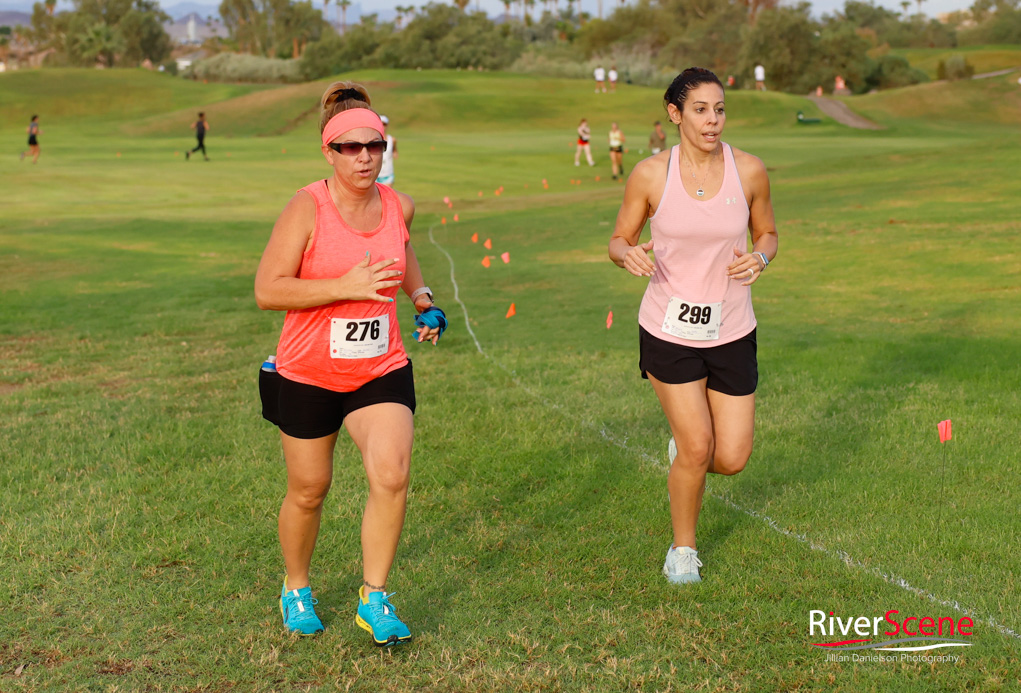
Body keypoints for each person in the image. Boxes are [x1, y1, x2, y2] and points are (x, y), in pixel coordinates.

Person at [254, 81, 447, 644]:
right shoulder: (306, 207)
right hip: (308, 372)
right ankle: (296, 587)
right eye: (350, 147)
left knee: (392, 473)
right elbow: (268, 290)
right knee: (309, 490)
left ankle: (375, 597)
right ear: (329, 151)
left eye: (374, 145)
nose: (364, 156)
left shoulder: (398, 206)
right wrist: (346, 285)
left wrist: (422, 299)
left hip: (379, 367)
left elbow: (403, 249)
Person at [607, 67, 778, 585]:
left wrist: (761, 259)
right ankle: (682, 550)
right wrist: (627, 255)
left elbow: (767, 231)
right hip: (669, 328)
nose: (713, 120)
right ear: (675, 114)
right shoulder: (650, 174)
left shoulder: (748, 170)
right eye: (701, 110)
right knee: (700, 447)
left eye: (720, 109)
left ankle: (684, 447)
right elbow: (618, 238)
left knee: (731, 457)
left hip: (732, 327)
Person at [376, 114, 398, 186]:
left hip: (388, 173)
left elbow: (394, 151)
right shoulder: (373, 140)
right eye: (381, 124)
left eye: (384, 124)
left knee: (387, 195)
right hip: (376, 174)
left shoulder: (392, 140)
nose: (383, 126)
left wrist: (395, 153)